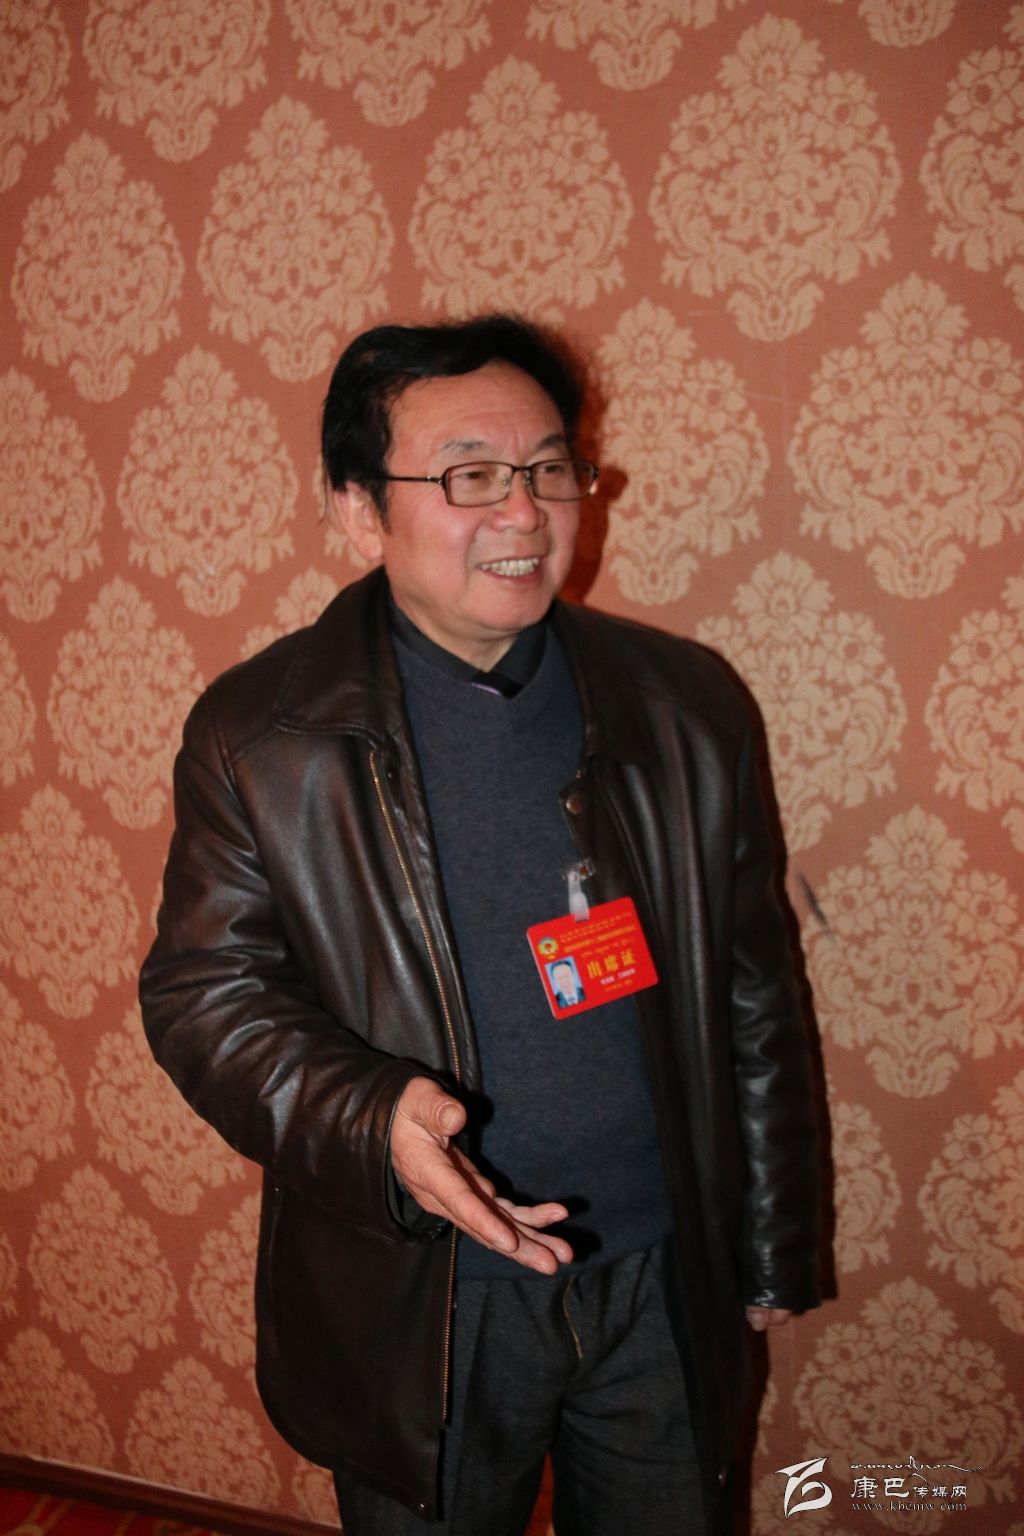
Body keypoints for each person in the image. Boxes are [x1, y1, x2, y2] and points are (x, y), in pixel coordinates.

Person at [140, 315, 821, 1536]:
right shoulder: (264, 736)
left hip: (661, 1273)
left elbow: (753, 987)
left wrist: (769, 1242)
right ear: (360, 512)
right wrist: (373, 1117)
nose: (524, 511)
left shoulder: (685, 704)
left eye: (549, 468)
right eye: (468, 476)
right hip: (426, 1292)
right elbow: (205, 996)